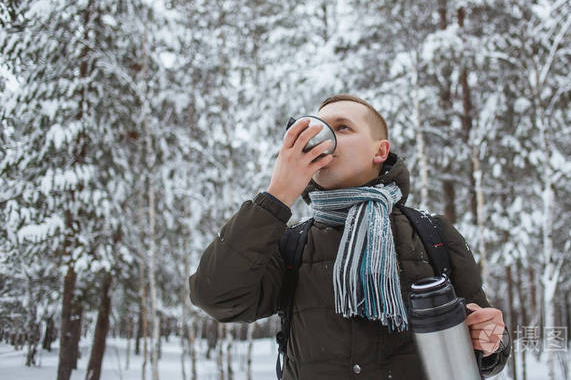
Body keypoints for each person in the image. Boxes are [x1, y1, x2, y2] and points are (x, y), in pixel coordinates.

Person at [189, 94, 510, 379]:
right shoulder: (291, 245)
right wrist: (277, 195)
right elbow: (215, 298)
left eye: (342, 128)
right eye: (315, 129)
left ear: (380, 151)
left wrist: (492, 340)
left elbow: (487, 348)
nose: (323, 138)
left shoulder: (432, 233)